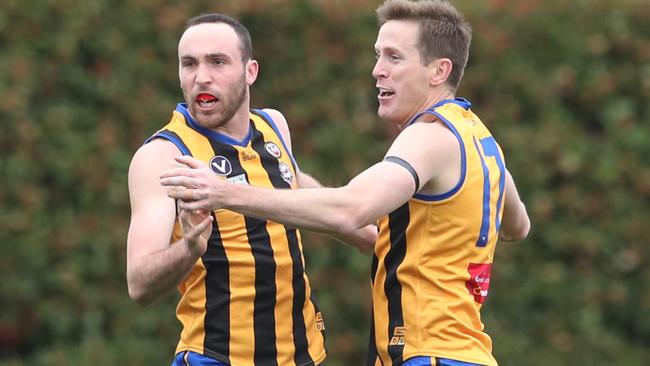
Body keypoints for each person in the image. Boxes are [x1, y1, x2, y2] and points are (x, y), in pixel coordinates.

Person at [161, 1, 531, 365]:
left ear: (439, 71)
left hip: (428, 354)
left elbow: (351, 209)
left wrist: (224, 191)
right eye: (377, 55)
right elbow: (517, 225)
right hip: (468, 352)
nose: (377, 70)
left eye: (393, 57)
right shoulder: (481, 140)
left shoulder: (427, 137)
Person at [126, 13, 377, 366]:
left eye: (217, 62)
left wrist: (368, 233)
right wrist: (189, 248)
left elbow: (295, 184)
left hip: (305, 355)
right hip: (218, 357)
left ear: (250, 71)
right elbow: (138, 283)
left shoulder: (274, 126)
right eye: (189, 64)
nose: (201, 77)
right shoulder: (164, 156)